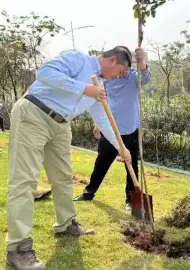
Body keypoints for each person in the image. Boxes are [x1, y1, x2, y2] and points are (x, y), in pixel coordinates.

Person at [6, 47, 132, 270]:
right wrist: (84, 89)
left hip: (61, 125)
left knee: (64, 178)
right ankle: (18, 248)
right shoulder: (77, 59)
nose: (118, 77)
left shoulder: (99, 88)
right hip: (34, 113)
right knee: (24, 181)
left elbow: (103, 120)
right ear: (113, 60)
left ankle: (66, 224)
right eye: (120, 71)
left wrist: (121, 147)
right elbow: (44, 73)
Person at [73, 46, 151, 212]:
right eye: (119, 70)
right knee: (101, 162)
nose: (120, 73)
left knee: (131, 165)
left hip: (130, 130)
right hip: (109, 131)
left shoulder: (132, 78)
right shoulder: (104, 81)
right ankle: (88, 193)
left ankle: (131, 200)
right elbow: (103, 105)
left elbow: (145, 78)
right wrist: (98, 124)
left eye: (124, 70)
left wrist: (142, 61)